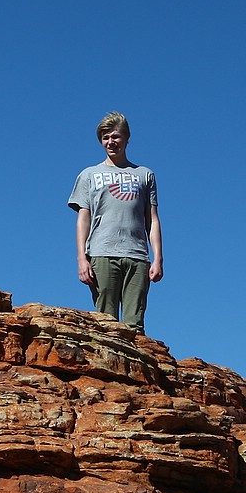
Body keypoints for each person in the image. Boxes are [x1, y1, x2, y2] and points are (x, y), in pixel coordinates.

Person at [69, 111, 162, 332]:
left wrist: (158, 258)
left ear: (127, 138)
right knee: (105, 323)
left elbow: (152, 219)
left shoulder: (144, 175)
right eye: (106, 137)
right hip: (102, 253)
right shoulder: (89, 174)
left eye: (116, 136)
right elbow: (83, 219)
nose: (111, 142)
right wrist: (81, 259)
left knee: (134, 326)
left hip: (137, 255)